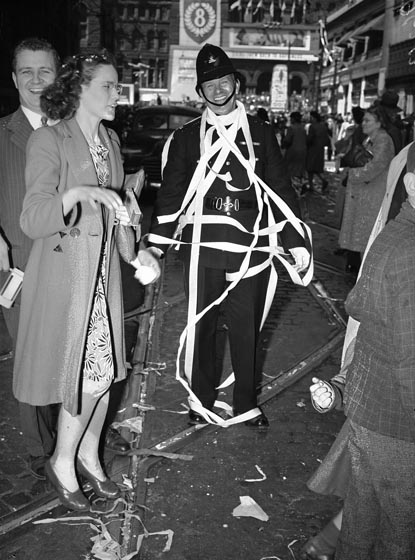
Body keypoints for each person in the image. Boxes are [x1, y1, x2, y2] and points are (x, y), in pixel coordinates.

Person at [13, 50, 159, 511]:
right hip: (66, 278)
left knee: (106, 373)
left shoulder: (110, 141)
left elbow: (117, 212)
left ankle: (90, 456)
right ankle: (63, 460)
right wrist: (78, 193)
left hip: (105, 279)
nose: (118, 94)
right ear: (79, 90)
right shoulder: (50, 140)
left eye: (117, 86)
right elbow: (33, 219)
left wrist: (137, 242)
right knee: (89, 378)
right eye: (108, 87)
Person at [143, 44, 311, 429]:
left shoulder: (261, 133)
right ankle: (200, 400)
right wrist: (156, 245)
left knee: (246, 328)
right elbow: (171, 195)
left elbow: (280, 189)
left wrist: (295, 238)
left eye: (223, 82)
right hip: (203, 249)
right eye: (209, 85)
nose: (217, 90)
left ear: (236, 83)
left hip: (250, 250)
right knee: (201, 327)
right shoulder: (186, 137)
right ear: (200, 92)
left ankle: (245, 403)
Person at [302, 139, 415, 560]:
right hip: (399, 422)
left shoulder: (395, 237)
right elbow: (410, 359)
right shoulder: (409, 254)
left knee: (362, 521)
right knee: (399, 534)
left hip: (371, 412)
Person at [0, 37, 60, 481]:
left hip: (72, 265)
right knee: (29, 360)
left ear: (58, 76)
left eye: (45, 71)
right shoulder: (2, 134)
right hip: (19, 265)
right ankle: (43, 449)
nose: (36, 80)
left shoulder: (76, 130)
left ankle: (70, 436)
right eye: (27, 71)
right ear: (14, 78)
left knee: (70, 356)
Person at [338, 105, 395, 271]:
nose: (363, 123)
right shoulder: (370, 139)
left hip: (372, 197)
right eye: (363, 120)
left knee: (368, 238)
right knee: (362, 239)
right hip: (364, 196)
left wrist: (353, 174)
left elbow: (375, 166)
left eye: (367, 120)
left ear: (379, 123)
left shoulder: (383, 140)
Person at [303, 110, 330, 194]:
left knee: (310, 168)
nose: (310, 119)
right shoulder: (323, 126)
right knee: (316, 168)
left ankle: (319, 182)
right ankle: (313, 185)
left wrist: (305, 141)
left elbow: (310, 138)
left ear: (314, 118)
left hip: (312, 149)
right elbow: (326, 139)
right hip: (320, 149)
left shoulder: (312, 127)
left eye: (311, 117)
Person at [281, 111, 307, 190]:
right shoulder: (303, 128)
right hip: (303, 151)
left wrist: (283, 141)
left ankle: (295, 188)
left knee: (292, 170)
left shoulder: (291, 128)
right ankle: (301, 184)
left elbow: (287, 140)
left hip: (293, 152)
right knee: (299, 169)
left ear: (293, 119)